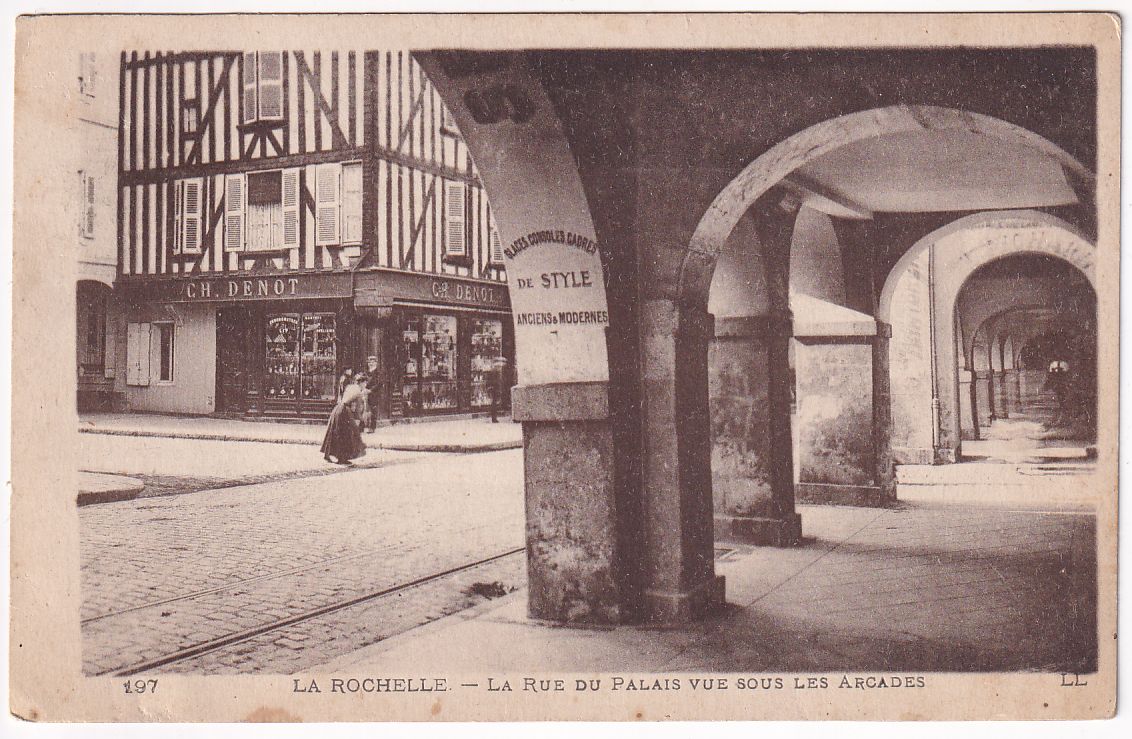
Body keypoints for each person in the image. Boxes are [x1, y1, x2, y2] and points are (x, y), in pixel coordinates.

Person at [321, 373, 367, 465]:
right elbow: (357, 409)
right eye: (365, 383)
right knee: (346, 435)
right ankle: (342, 458)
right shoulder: (358, 392)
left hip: (338, 409)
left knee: (334, 432)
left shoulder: (350, 387)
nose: (365, 385)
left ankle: (328, 455)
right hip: (345, 412)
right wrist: (360, 420)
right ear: (361, 383)